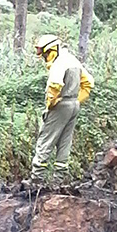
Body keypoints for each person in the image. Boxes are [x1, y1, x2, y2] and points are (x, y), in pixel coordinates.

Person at [30, 34, 94, 181]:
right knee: (65, 141)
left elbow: (55, 85)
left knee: (46, 140)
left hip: (61, 104)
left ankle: (36, 179)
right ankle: (59, 179)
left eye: (45, 54)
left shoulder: (59, 63)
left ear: (52, 50)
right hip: (74, 105)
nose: (45, 58)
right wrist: (77, 101)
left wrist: (50, 105)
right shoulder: (72, 60)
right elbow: (89, 82)